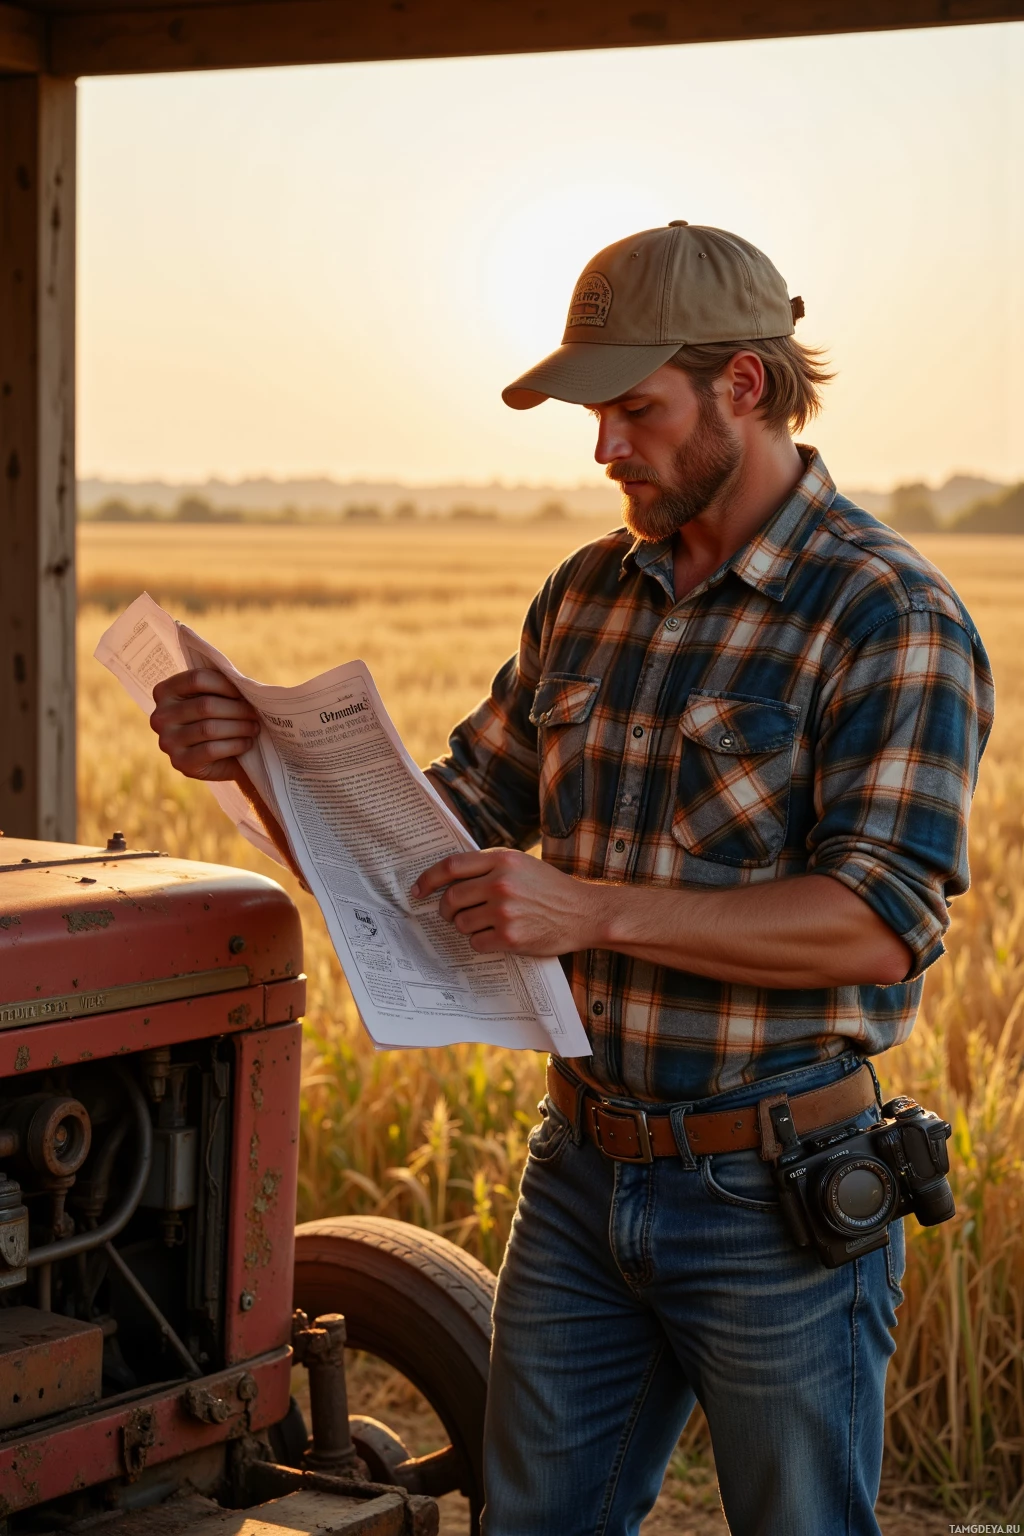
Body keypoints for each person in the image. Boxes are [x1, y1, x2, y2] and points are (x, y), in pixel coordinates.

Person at [151, 222, 994, 1536]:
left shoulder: (889, 613)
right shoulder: (588, 594)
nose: (605, 447)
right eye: (594, 413)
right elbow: (435, 834)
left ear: (747, 386)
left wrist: (588, 908)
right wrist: (251, 759)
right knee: (531, 1520)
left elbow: (879, 924)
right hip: (582, 1168)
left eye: (634, 410)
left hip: (775, 1191)